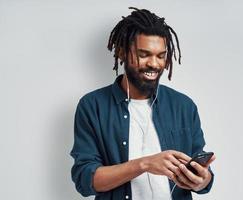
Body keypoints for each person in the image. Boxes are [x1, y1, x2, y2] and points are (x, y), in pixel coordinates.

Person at [70, 7, 215, 200]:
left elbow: (201, 172)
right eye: (144, 54)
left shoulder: (184, 106)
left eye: (160, 55)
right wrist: (144, 164)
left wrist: (203, 180)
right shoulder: (93, 106)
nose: (154, 64)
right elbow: (85, 179)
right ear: (122, 52)